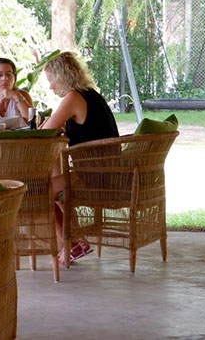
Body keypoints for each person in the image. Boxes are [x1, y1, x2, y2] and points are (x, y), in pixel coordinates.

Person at [39, 51, 119, 265]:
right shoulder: (89, 95)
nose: (50, 86)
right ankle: (75, 241)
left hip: (94, 176)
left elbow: (44, 132)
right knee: (53, 189)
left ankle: (71, 244)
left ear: (62, 76)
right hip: (108, 171)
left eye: (50, 80)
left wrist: (49, 127)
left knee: (37, 193)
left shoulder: (73, 97)